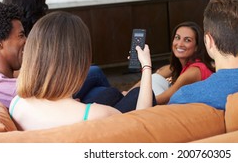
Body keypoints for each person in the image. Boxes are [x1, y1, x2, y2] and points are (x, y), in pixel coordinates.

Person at [9, 11, 153, 130]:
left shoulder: (17, 104)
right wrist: (146, 66)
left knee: (110, 94)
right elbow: (142, 124)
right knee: (137, 94)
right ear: (80, 60)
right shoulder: (98, 115)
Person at [2, 0, 110, 103]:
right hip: (49, 90)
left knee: (99, 91)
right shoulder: (34, 38)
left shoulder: (13, 38)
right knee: (96, 72)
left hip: (47, 89)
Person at [126, 21, 214, 105]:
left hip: (192, 112)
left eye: (187, 40)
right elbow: (157, 74)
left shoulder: (195, 71)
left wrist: (134, 101)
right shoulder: (180, 65)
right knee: (154, 78)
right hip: (181, 105)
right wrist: (127, 93)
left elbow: (166, 97)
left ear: (197, 47)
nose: (179, 44)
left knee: (151, 86)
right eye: (177, 38)